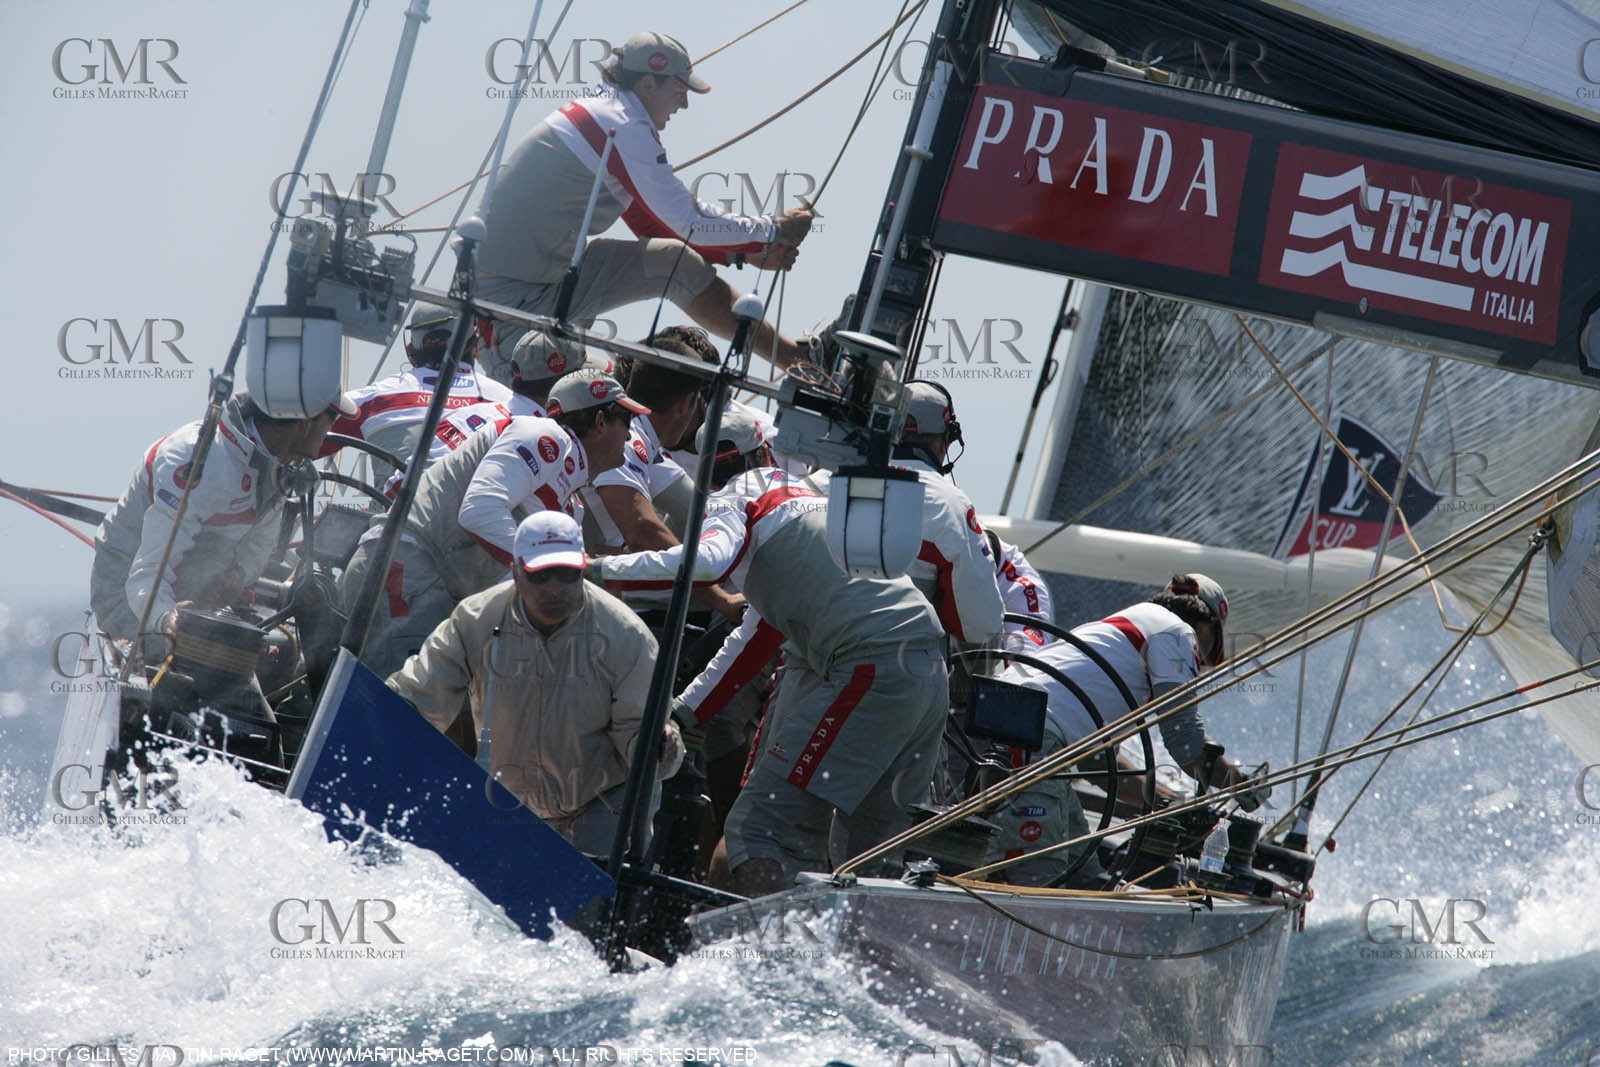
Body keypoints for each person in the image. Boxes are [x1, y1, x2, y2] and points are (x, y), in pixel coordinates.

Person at [595, 450, 948, 896]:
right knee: (872, 857)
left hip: (871, 667)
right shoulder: (807, 510)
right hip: (930, 670)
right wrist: (684, 715)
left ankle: (768, 960)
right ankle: (849, 962)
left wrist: (595, 569)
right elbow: (753, 637)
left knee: (757, 830)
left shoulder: (742, 494)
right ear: (763, 452)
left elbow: (707, 564)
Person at [477, 31, 820, 371]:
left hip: (530, 289)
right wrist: (772, 232)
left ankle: (798, 362)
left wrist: (744, 252)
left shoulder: (604, 114)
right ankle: (804, 366)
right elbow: (689, 222)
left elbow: (649, 223)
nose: (684, 104)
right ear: (647, 85)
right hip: (512, 310)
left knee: (673, 262)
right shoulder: (622, 125)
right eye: (678, 91)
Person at [386, 511, 684, 850]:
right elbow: (418, 699)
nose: (554, 589)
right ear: (514, 573)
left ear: (583, 570)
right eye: (540, 575)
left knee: (593, 894)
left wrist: (661, 748)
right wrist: (381, 711)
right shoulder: (473, 620)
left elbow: (639, 740)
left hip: (602, 801)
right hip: (505, 802)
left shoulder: (629, 636)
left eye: (566, 574)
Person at [341, 369, 643, 677]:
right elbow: (480, 510)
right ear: (601, 422)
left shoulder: (570, 500)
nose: (631, 436)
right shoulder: (546, 435)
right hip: (407, 570)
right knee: (406, 714)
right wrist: (548, 573)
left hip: (420, 579)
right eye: (626, 422)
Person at [986, 574, 1271, 885]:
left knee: (1082, 870)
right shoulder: (1177, 634)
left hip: (1000, 720)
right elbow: (1185, 744)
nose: (1198, 661)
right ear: (1207, 628)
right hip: (1034, 739)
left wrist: (1166, 801)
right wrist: (1240, 783)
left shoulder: (1120, 633)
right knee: (1040, 878)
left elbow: (1098, 764)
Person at [91, 390, 354, 646]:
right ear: (305, 425)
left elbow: (259, 544)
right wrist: (165, 617)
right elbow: (146, 575)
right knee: (183, 661)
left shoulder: (279, 464)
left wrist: (237, 575)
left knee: (267, 662)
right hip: (126, 592)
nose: (330, 432)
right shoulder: (195, 463)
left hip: (194, 594)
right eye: (332, 420)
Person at [322, 303, 514, 495]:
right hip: (481, 519)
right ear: (474, 345)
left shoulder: (376, 397)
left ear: (412, 348)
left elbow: (300, 435)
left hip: (394, 520)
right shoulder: (508, 402)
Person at [893, 381, 1005, 645]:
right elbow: (980, 628)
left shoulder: (822, 479)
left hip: (796, 676)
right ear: (944, 442)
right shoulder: (950, 507)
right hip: (893, 678)